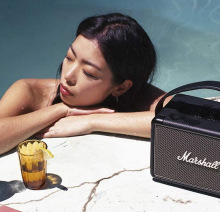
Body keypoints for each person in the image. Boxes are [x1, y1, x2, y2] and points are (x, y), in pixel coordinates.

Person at [0, 13, 169, 155]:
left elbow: (184, 124)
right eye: (69, 57)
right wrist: (60, 109)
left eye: (88, 73)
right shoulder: (30, 92)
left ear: (120, 87)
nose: (68, 76)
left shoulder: (137, 96)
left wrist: (92, 121)